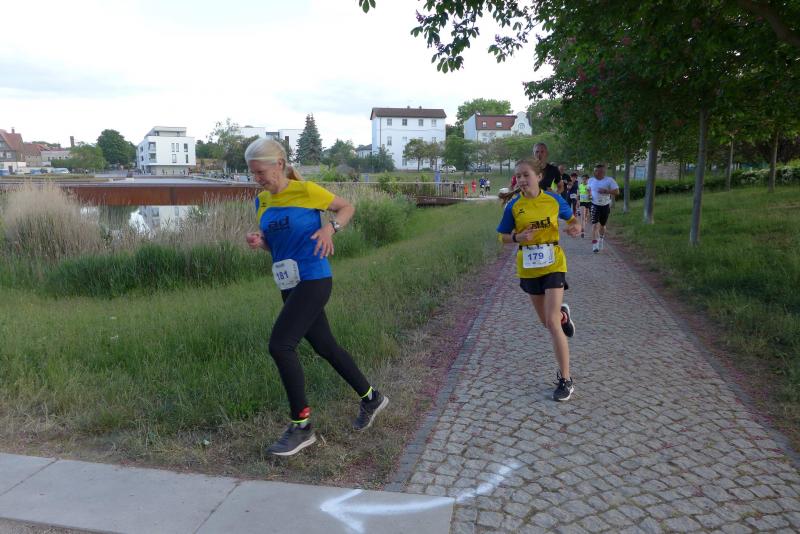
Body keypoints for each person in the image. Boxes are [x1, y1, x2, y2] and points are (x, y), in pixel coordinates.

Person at [244, 138, 388, 456]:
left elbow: (347, 207)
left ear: (279, 165)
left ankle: (302, 425)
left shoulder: (307, 191)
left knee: (281, 345)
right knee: (326, 347)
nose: (257, 178)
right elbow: (276, 245)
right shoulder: (261, 201)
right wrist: (260, 242)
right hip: (288, 283)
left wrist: (329, 229)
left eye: (260, 172)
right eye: (253, 173)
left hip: (314, 278)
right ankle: (372, 398)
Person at [497, 157, 581, 401]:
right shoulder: (513, 206)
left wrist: (575, 227)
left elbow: (573, 220)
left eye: (526, 175)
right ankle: (563, 315)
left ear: (539, 177)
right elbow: (502, 236)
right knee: (547, 321)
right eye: (518, 176)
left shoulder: (553, 200)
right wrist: (517, 238)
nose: (522, 179)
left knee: (552, 324)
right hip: (529, 267)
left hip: (554, 263)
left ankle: (566, 380)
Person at [587, 164, 620, 253]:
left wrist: (606, 191)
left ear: (603, 172)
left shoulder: (609, 180)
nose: (595, 173)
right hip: (594, 205)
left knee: (602, 225)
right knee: (594, 225)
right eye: (595, 171)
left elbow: (617, 192)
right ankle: (595, 245)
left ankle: (601, 239)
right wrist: (589, 195)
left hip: (605, 205)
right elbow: (588, 189)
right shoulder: (591, 180)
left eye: (598, 171)